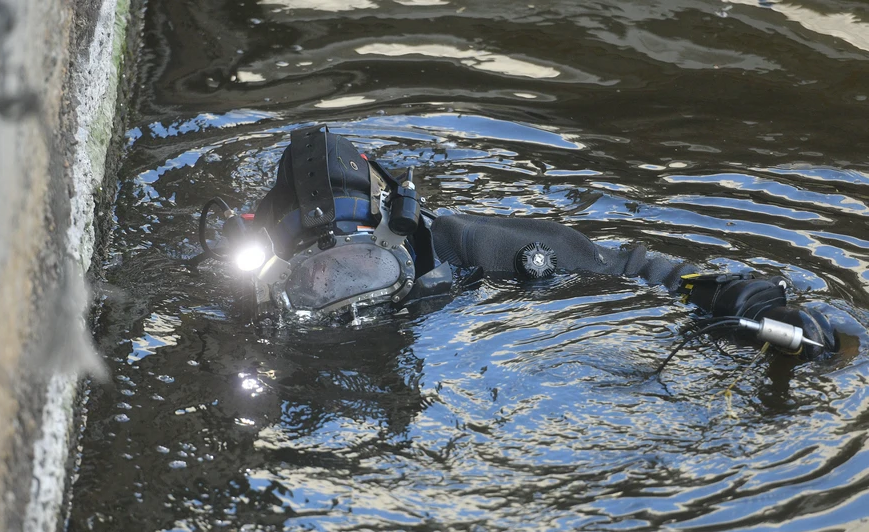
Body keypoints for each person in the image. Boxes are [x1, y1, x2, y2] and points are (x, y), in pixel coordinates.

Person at [198, 125, 838, 360]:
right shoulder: (456, 247)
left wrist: (738, 297)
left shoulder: (460, 246)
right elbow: (632, 268)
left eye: (358, 245)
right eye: (325, 252)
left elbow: (628, 267)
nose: (338, 264)